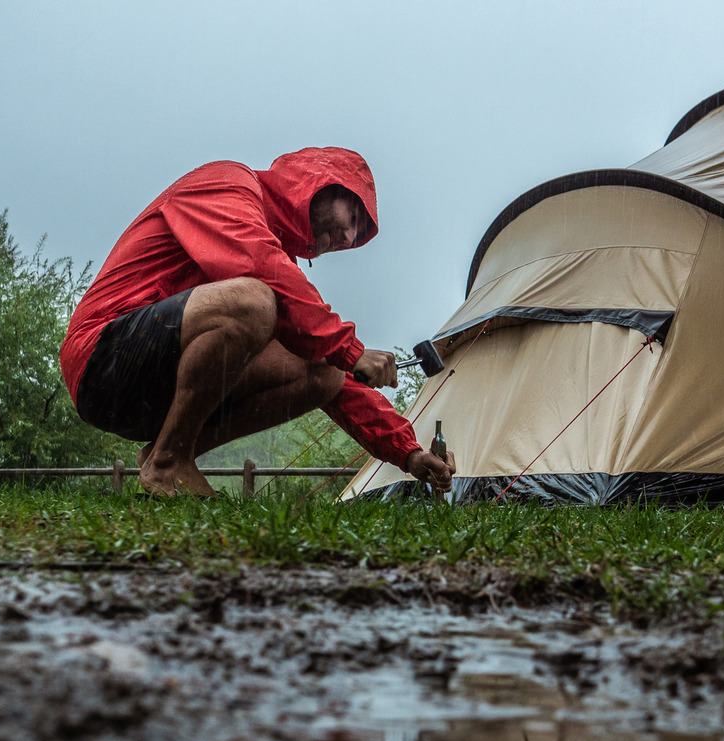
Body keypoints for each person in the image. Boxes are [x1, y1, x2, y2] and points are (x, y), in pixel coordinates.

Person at [59, 147, 455, 496]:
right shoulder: (228, 184)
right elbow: (258, 264)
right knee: (255, 300)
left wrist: (409, 452)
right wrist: (351, 350)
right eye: (352, 216)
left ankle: (169, 455)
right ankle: (169, 463)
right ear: (320, 182)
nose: (349, 237)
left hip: (160, 389)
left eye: (358, 235)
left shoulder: (282, 267)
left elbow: (334, 368)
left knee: (324, 371)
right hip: (103, 361)